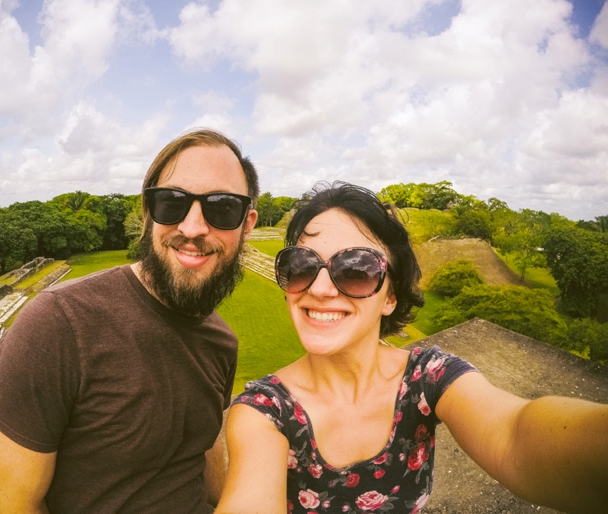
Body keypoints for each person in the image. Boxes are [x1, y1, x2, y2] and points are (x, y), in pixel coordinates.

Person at [215, 182, 608, 514]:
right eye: (301, 265)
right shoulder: (263, 411)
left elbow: (514, 435)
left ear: (390, 297)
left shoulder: (428, 378)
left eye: (355, 269)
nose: (319, 288)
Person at [0, 129, 259, 513]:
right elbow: (16, 507)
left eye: (223, 207)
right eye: (171, 203)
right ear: (148, 214)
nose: (193, 228)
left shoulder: (222, 341)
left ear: (247, 225)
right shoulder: (57, 325)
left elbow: (204, 456)